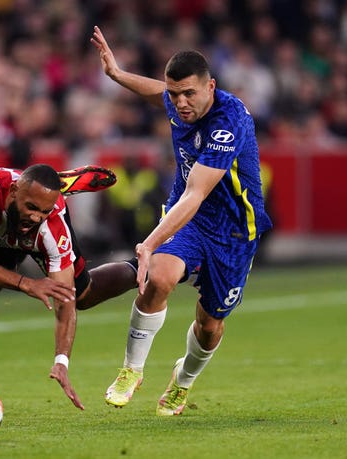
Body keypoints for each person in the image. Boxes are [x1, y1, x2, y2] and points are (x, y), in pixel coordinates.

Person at [91, 26, 273, 416]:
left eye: (189, 93)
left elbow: (197, 193)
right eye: (175, 94)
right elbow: (157, 92)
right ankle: (131, 370)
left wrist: (148, 241)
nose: (180, 102)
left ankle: (182, 381)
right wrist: (117, 74)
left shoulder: (229, 122)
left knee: (209, 326)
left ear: (211, 86)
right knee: (159, 276)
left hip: (233, 232)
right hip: (188, 220)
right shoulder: (177, 101)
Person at [0, 164, 137, 410]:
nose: (36, 216)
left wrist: (62, 361)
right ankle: (53, 185)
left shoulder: (52, 223)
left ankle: (143, 268)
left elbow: (65, 298)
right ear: (15, 191)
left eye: (43, 210)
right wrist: (25, 283)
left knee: (82, 296)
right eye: (32, 206)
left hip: (34, 238)